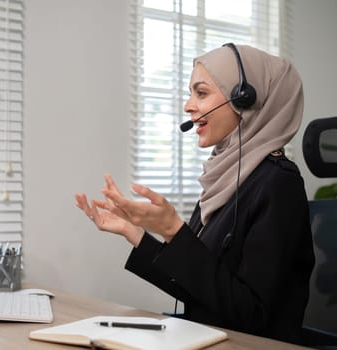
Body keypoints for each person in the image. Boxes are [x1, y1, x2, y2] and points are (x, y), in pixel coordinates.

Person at [74, 43, 315, 345]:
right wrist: (133, 232)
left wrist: (175, 230)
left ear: (244, 99)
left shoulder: (279, 184)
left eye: (201, 93)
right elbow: (194, 286)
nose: (188, 105)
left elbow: (251, 314)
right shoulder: (224, 180)